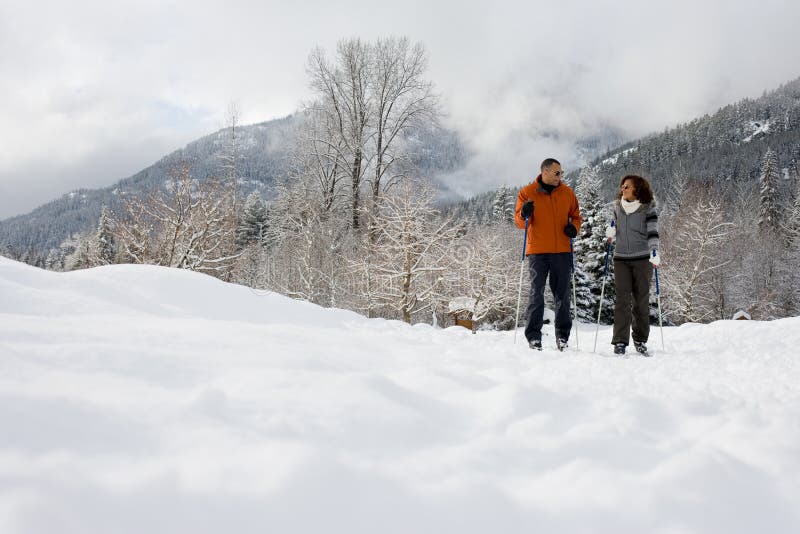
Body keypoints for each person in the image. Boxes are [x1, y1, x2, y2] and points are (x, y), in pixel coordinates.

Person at [514, 158, 582, 351]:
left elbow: (576, 216)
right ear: (544, 172)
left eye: (561, 173)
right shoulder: (527, 193)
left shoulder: (567, 193)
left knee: (562, 295)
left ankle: (563, 337)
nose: (560, 176)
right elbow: (519, 223)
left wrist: (574, 228)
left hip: (562, 250)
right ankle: (534, 337)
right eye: (557, 173)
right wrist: (523, 214)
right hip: (538, 251)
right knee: (536, 294)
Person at [605, 174, 661, 355]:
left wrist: (654, 251)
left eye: (627, 186)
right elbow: (613, 224)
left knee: (641, 301)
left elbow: (653, 232)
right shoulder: (617, 208)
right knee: (622, 301)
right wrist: (611, 231)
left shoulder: (647, 209)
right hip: (620, 258)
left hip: (642, 259)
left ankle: (640, 338)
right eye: (622, 186)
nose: (623, 188)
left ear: (637, 189)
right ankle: (620, 341)